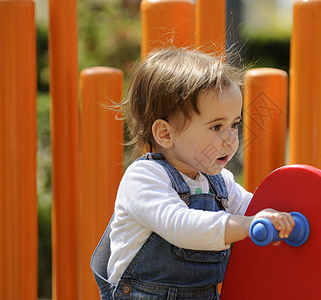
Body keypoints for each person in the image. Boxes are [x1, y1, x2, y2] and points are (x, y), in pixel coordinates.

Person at [91, 47, 294, 299]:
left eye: (235, 124)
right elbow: (181, 226)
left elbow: (251, 207)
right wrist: (247, 224)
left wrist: (274, 217)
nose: (231, 139)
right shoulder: (144, 178)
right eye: (217, 126)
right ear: (165, 134)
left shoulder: (218, 181)